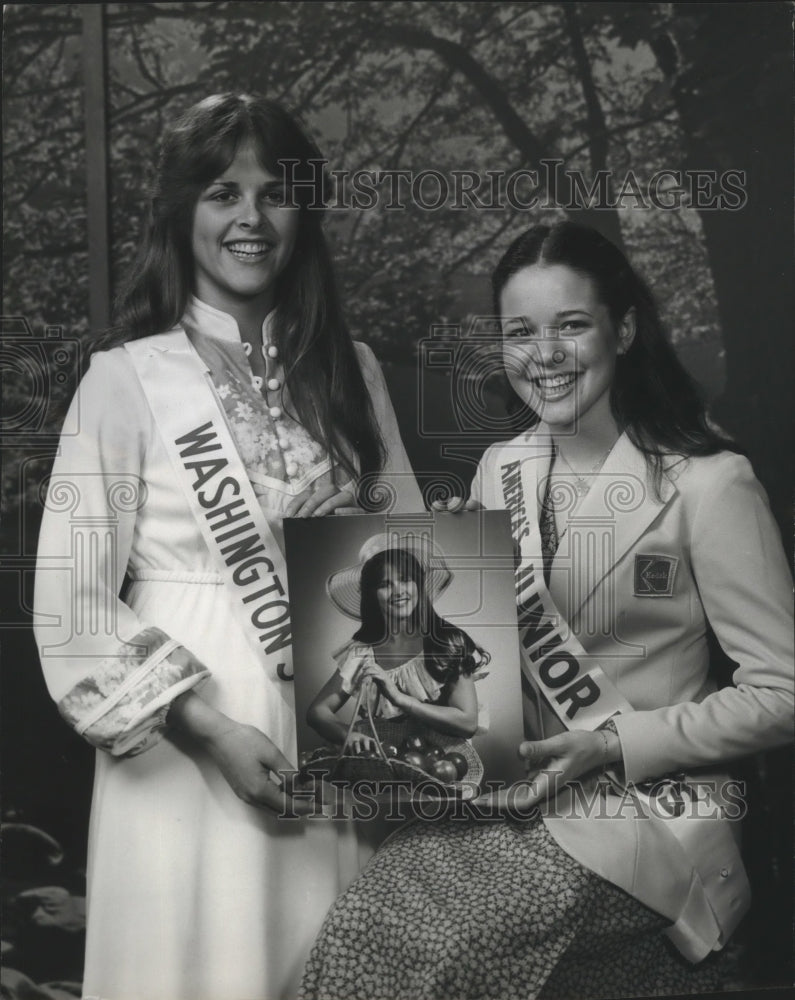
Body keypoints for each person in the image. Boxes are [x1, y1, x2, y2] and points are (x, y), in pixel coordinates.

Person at [299, 221, 794, 1000]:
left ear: (623, 329)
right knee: (360, 933)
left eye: (571, 325)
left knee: (436, 955)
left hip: (642, 811)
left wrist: (608, 745)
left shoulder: (709, 483)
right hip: (511, 796)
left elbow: (781, 695)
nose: (545, 354)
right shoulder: (502, 466)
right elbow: (482, 672)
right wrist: (454, 576)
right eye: (520, 332)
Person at [33, 93, 422, 1000]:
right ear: (183, 213)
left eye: (275, 192)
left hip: (334, 738)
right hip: (183, 745)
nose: (251, 218)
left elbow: (408, 556)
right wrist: (208, 731)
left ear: (303, 212)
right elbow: (70, 597)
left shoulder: (351, 370)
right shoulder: (123, 380)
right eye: (221, 193)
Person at [307, 535, 490, 751]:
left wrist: (400, 699)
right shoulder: (362, 653)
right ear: (372, 595)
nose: (398, 591)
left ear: (418, 584)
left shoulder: (445, 641)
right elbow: (317, 711)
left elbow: (467, 723)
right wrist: (348, 735)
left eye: (405, 579)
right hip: (387, 766)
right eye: (385, 584)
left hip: (444, 763)